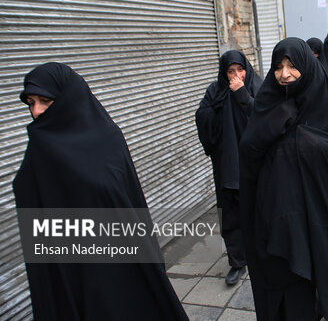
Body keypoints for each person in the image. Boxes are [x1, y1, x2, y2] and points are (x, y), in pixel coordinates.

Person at [13, 62, 189, 321]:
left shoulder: (107, 136)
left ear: (68, 100)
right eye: (30, 102)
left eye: (45, 101)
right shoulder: (41, 147)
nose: (36, 111)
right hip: (67, 268)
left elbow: (128, 202)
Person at [239, 37, 328, 321]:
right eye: (279, 66)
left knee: (327, 279)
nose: (285, 74)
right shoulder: (267, 103)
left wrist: (311, 142)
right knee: (291, 292)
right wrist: (273, 125)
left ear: (307, 65)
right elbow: (248, 153)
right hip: (280, 217)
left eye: (292, 66)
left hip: (323, 210)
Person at [195, 50, 262, 285]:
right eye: (230, 72)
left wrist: (241, 95)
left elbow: (265, 117)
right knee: (231, 214)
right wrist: (221, 104)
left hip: (251, 162)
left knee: (257, 209)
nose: (236, 76)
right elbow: (202, 116)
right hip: (226, 163)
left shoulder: (257, 86)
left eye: (240, 70)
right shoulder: (215, 90)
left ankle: (262, 254)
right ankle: (237, 261)